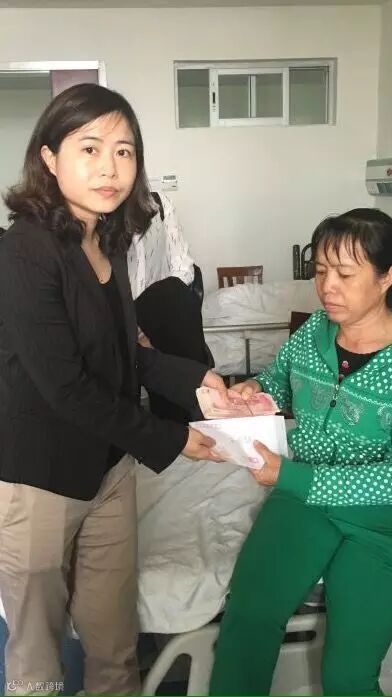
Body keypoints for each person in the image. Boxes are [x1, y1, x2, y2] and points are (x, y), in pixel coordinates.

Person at [0, 83, 227, 695]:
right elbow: (66, 387)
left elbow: (125, 351)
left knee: (114, 644)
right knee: (37, 657)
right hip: (40, 477)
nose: (109, 167)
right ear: (49, 157)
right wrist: (171, 437)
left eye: (124, 152)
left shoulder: (107, 240)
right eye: (90, 148)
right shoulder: (24, 251)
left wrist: (197, 381)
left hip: (110, 470)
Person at [209, 208, 392, 696]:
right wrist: (250, 393)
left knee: (347, 676)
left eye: (345, 273)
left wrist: (289, 476)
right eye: (321, 271)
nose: (328, 287)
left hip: (388, 524)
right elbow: (279, 382)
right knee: (247, 621)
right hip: (306, 502)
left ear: (387, 277)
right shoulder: (314, 333)